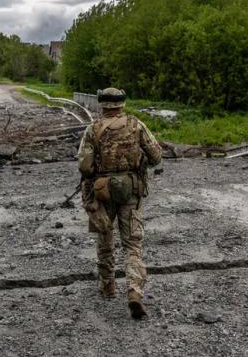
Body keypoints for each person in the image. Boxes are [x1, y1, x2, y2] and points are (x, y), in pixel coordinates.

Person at [78, 87, 162, 320]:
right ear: (122, 105)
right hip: (131, 191)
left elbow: (84, 167)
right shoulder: (137, 125)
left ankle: (107, 288)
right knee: (132, 245)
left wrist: (100, 169)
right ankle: (134, 291)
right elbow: (156, 156)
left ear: (101, 105)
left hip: (103, 192)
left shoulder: (92, 129)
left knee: (105, 239)